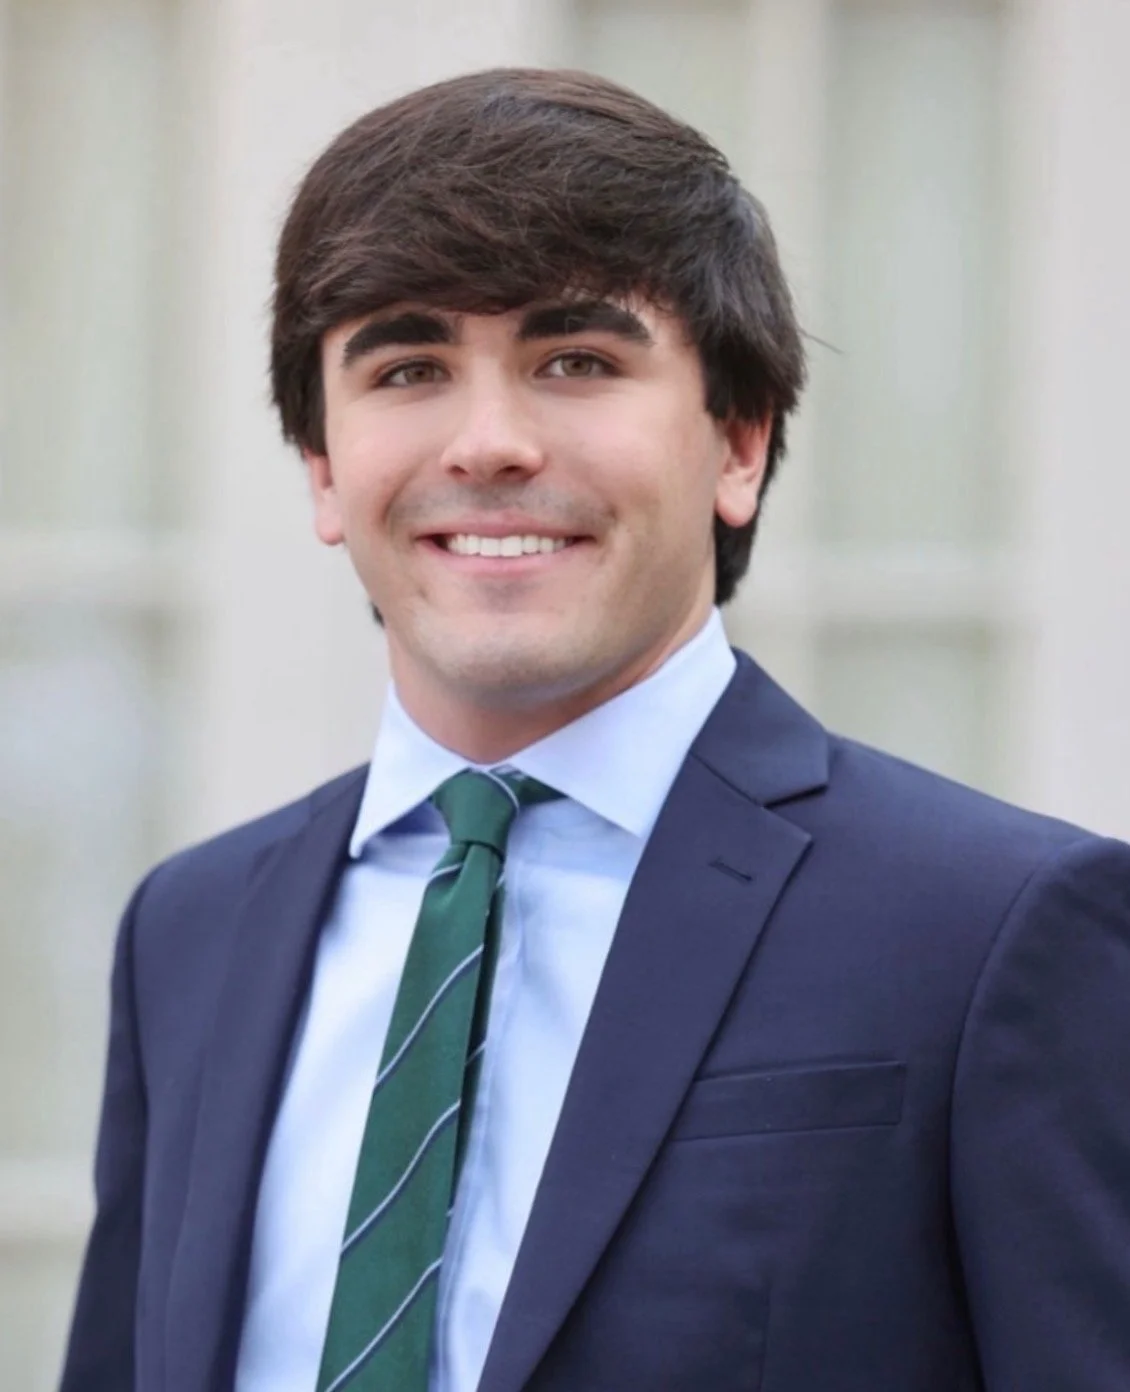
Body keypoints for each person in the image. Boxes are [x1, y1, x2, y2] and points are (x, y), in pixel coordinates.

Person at [61, 67, 1130, 1392]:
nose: (489, 443)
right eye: (408, 367)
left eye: (576, 362)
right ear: (324, 467)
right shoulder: (191, 932)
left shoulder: (998, 930)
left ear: (738, 443)